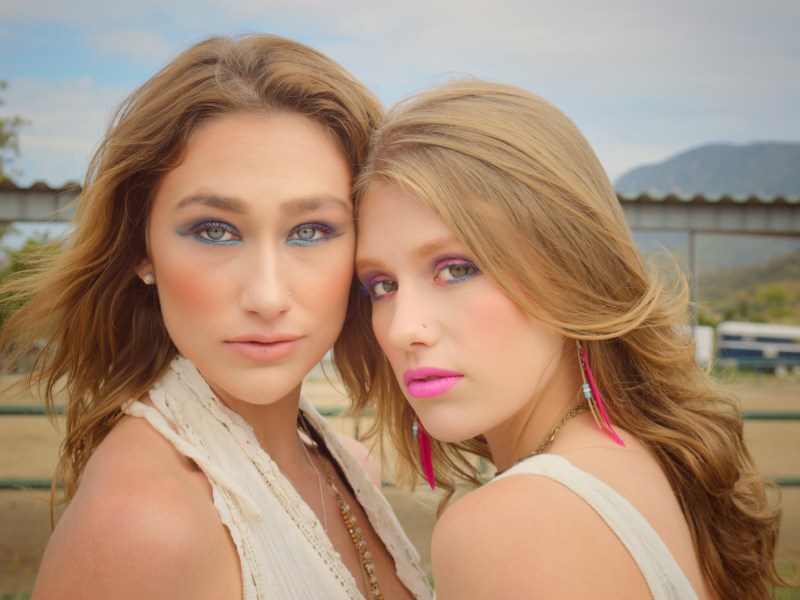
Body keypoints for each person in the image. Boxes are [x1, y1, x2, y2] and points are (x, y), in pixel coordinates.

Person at [0, 34, 432, 599]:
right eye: (215, 230)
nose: (268, 295)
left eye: (311, 231)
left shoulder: (343, 466)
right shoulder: (145, 527)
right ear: (142, 248)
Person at [343, 80, 784, 599]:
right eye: (382, 285)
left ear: (568, 267)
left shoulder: (513, 527)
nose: (402, 329)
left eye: (457, 268)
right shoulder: (654, 459)